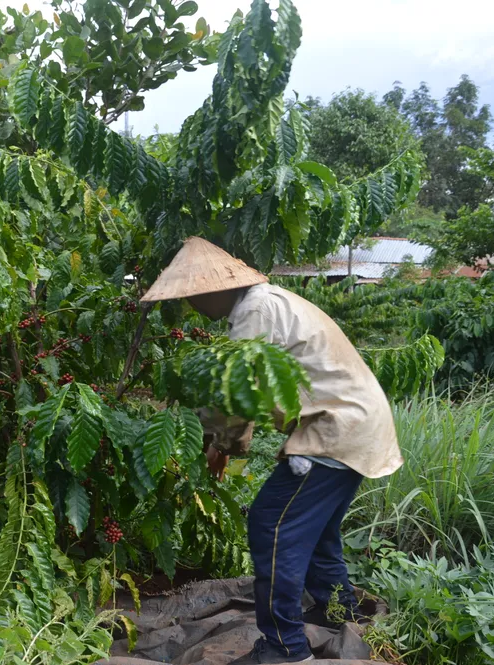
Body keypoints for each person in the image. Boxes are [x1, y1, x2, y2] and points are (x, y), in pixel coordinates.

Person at [141, 237, 402, 664]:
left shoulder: (254, 310)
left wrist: (220, 445)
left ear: (212, 288)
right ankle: (340, 613)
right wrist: (228, 444)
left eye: (191, 297)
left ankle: (286, 647)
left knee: (271, 525)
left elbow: (236, 392)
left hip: (333, 429)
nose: (191, 307)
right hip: (354, 424)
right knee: (314, 531)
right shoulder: (266, 302)